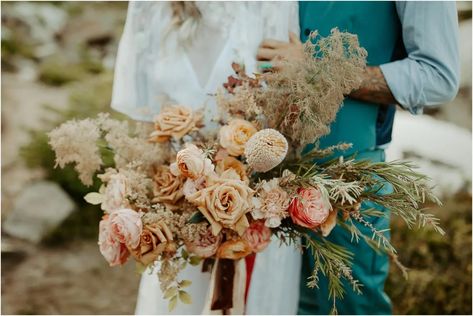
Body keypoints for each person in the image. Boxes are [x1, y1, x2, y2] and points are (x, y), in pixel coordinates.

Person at [256, 1, 460, 314]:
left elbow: (437, 76)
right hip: (264, 178)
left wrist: (319, 67)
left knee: (351, 307)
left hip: (348, 179)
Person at [111, 1, 301, 314]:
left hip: (252, 212)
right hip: (176, 213)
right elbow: (143, 121)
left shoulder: (273, 5)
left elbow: (288, 108)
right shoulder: (148, 7)